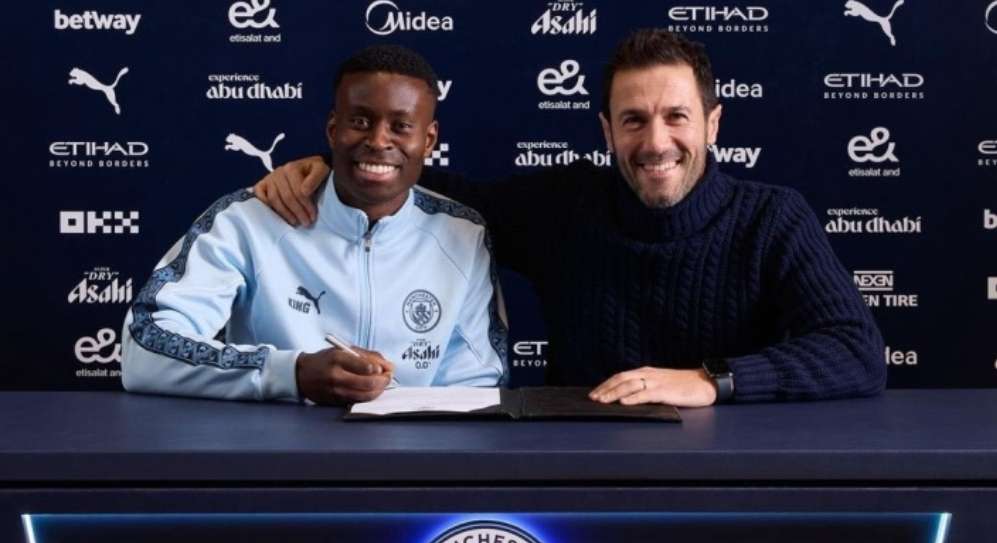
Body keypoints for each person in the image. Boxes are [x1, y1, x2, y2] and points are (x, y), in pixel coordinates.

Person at [254, 30, 886, 407]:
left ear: (713, 124)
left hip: (729, 473)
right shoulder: (565, 206)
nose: (656, 142)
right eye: (634, 120)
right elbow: (428, 182)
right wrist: (325, 164)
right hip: (582, 470)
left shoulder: (772, 218)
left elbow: (856, 351)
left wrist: (709, 381)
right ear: (608, 131)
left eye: (677, 117)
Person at [122, 45, 507, 404]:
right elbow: (145, 349)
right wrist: (291, 372)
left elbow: (476, 390)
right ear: (332, 129)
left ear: (429, 139)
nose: (378, 140)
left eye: (401, 125)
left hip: (412, 455)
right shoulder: (249, 220)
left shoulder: (463, 235)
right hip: (267, 453)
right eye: (360, 121)